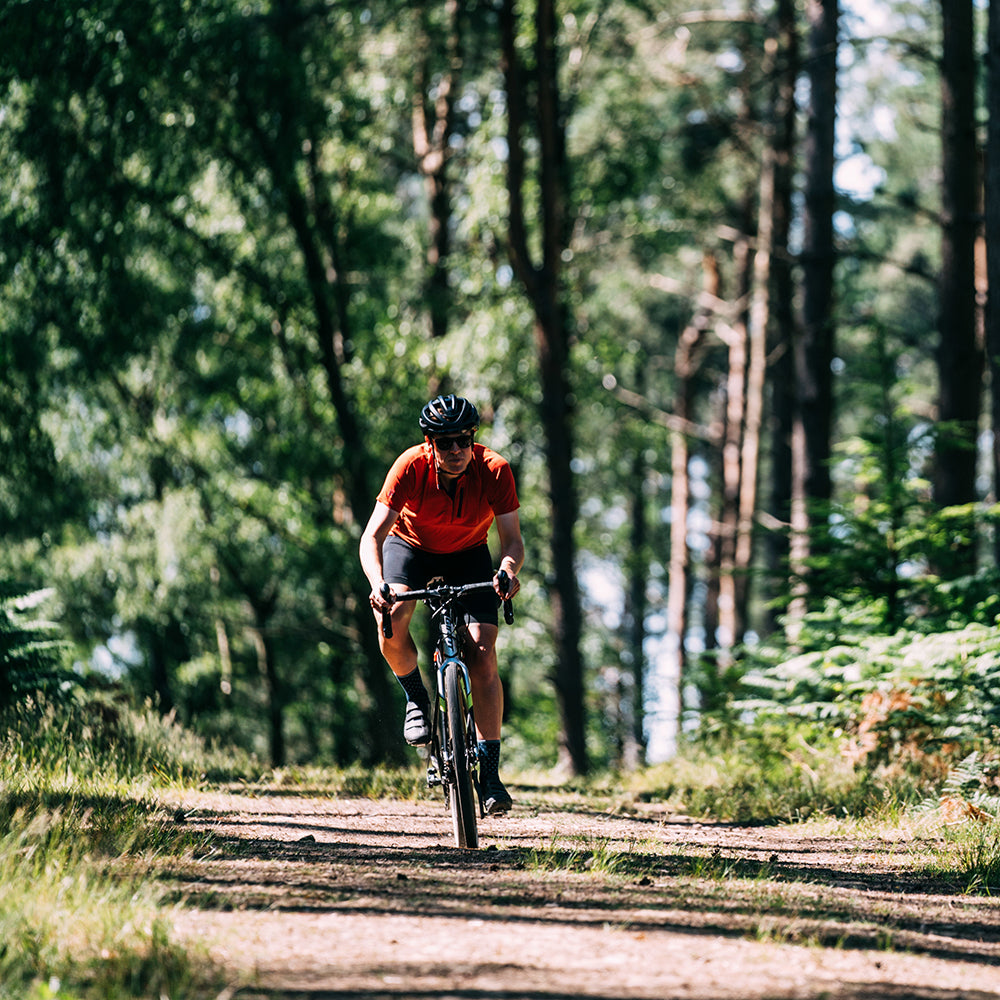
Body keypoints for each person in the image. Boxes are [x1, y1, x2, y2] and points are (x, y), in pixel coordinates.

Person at [359, 394, 525, 815]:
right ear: (430, 443)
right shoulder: (410, 467)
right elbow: (372, 538)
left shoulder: (495, 470)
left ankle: (490, 775)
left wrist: (506, 570)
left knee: (483, 655)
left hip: (469, 554)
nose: (456, 451)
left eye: (463, 441)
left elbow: (512, 541)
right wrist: (379, 583)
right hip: (410, 548)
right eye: (445, 442)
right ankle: (417, 698)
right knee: (392, 621)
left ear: (473, 439)